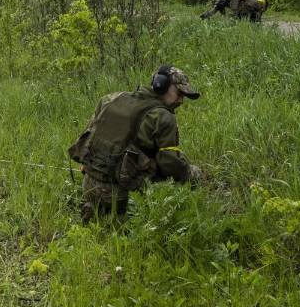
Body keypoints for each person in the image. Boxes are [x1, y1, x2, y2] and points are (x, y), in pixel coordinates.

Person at [69, 65, 204, 223]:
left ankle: (97, 208)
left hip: (88, 186)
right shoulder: (163, 117)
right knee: (189, 175)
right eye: (179, 93)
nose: (181, 100)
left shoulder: (112, 99)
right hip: (122, 194)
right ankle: (122, 214)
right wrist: (192, 173)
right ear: (161, 85)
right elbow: (170, 164)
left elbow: (89, 138)